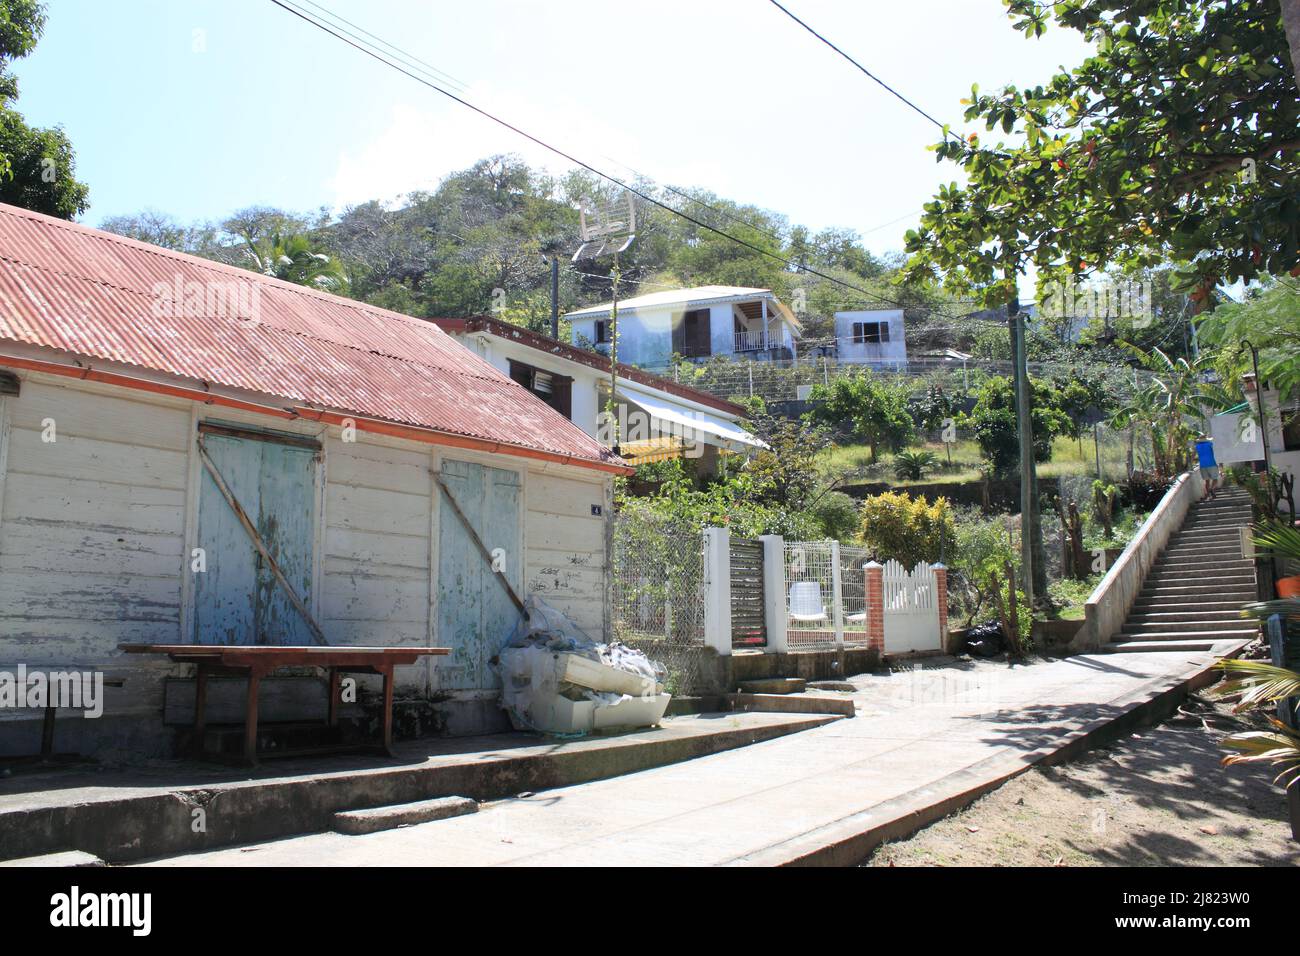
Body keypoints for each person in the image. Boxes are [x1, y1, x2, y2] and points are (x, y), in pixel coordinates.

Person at [1194, 433, 1219, 500]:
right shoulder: (1210, 444)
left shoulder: (1197, 446)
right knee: (1215, 479)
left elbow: (1194, 456)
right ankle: (1211, 489)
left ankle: (1208, 495)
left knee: (1207, 481)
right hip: (1212, 463)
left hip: (1202, 465)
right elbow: (1215, 452)